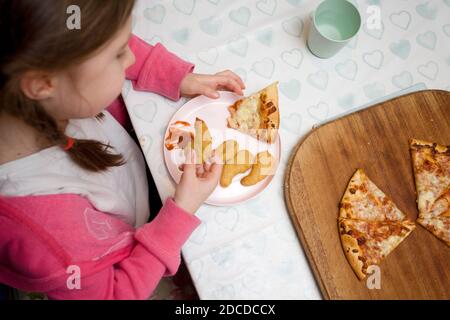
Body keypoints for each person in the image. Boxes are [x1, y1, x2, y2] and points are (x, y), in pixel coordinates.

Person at [0, 0, 245, 299]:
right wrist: (180, 212)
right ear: (41, 84)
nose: (130, 57)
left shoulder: (43, 77)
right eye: (118, 55)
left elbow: (96, 38)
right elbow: (118, 294)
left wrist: (171, 74)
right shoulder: (47, 246)